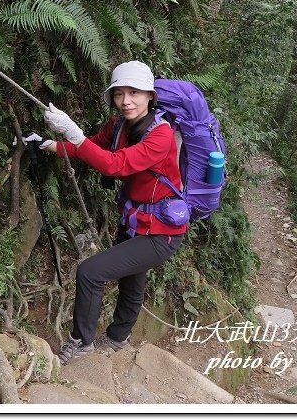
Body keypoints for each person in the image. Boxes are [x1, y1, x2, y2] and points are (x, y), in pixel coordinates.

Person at [35, 60, 187, 364]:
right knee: (132, 280)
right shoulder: (118, 125)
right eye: (119, 94)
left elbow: (115, 164)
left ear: (150, 96)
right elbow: (91, 149)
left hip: (161, 233)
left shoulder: (161, 136)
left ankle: (82, 343)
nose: (126, 101)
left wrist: (74, 133)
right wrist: (49, 144)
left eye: (134, 93)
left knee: (90, 272)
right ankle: (119, 338)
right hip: (134, 221)